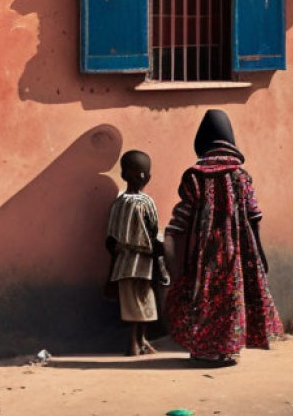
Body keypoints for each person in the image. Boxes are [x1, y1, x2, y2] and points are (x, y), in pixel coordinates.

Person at [163, 109, 282, 365]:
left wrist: (172, 244)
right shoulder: (242, 176)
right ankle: (228, 349)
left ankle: (204, 350)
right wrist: (259, 253)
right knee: (232, 297)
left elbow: (181, 217)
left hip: (203, 252)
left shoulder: (194, 176)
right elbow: (254, 217)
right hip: (237, 251)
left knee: (204, 297)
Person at [106, 150, 170, 356]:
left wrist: (113, 264)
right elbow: (152, 233)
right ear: (148, 177)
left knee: (133, 305)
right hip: (143, 264)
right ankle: (135, 343)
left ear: (123, 175)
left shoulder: (118, 204)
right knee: (144, 303)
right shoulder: (147, 202)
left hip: (123, 264)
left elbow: (110, 240)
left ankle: (141, 342)